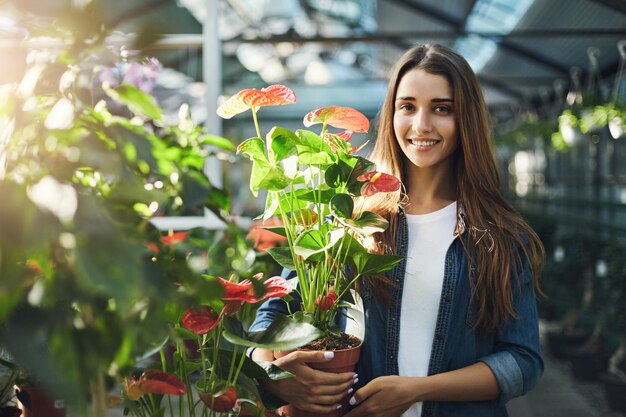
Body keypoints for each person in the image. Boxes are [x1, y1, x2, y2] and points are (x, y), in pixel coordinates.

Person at [249, 43, 544, 417]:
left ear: (465, 119)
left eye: (442, 108)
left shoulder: (500, 236)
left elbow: (523, 361)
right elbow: (269, 319)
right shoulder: (346, 221)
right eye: (407, 107)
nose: (421, 125)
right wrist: (271, 374)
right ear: (391, 115)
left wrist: (417, 391)